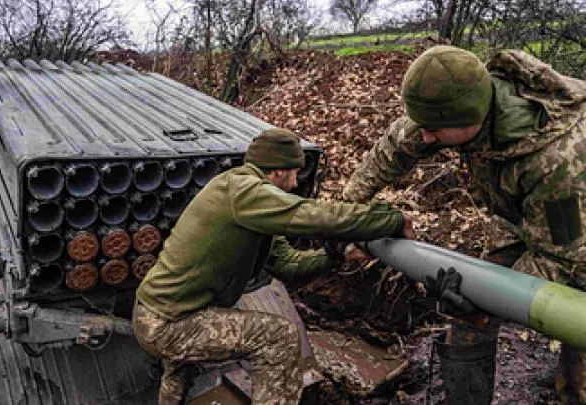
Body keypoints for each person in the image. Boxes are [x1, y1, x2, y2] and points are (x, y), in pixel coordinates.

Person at [342, 45, 586, 403]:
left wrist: (487, 301)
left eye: (434, 130)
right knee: (469, 312)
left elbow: (560, 257)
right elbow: (395, 146)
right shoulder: (456, 104)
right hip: (518, 215)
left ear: (471, 120)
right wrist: (346, 212)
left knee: (576, 327)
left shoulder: (558, 161)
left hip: (575, 227)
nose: (425, 137)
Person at [132, 128, 415, 405]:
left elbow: (287, 264)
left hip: (164, 312)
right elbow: (312, 215)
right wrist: (389, 219)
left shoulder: (248, 201)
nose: (294, 184)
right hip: (168, 322)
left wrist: (337, 256)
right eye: (294, 173)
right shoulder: (244, 192)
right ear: (278, 171)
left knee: (179, 373)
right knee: (280, 338)